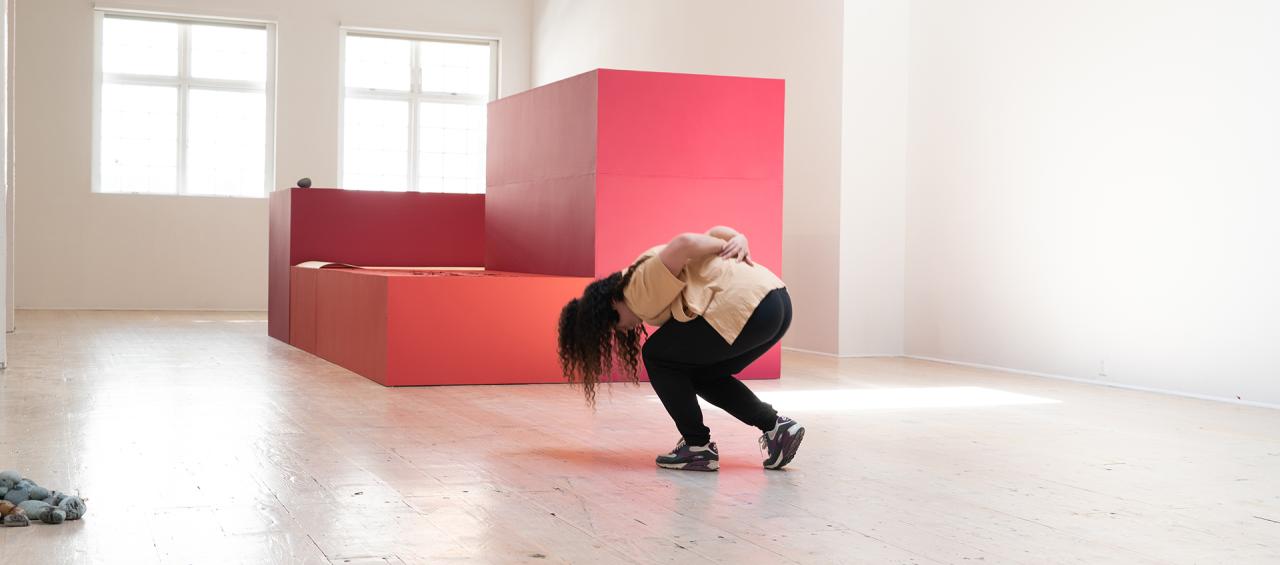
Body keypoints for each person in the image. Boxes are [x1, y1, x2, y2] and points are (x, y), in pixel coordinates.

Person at [557, 226, 804, 471]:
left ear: (612, 302)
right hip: (776, 303)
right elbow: (713, 232)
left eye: (613, 325)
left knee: (655, 356)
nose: (622, 331)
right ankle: (776, 428)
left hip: (749, 307)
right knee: (701, 374)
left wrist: (729, 243)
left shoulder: (636, 289)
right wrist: (738, 238)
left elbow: (684, 243)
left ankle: (697, 448)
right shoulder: (644, 280)